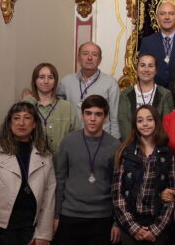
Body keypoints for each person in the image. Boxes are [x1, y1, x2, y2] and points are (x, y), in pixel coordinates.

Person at [0, 102, 55, 245]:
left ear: (34, 124)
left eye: (27, 118)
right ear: (10, 123)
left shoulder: (44, 154)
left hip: (30, 229)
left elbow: (49, 195)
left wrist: (44, 234)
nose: (21, 123)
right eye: (16, 118)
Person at [53, 95, 121, 245]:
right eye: (88, 113)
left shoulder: (115, 146)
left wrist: (117, 222)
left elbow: (118, 187)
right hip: (70, 215)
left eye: (98, 114)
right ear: (82, 115)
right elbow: (60, 181)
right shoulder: (68, 142)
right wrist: (56, 215)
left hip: (102, 217)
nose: (92, 118)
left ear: (106, 118)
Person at [113, 105, 175, 245]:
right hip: (130, 225)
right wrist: (134, 228)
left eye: (149, 119)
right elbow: (117, 195)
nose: (145, 124)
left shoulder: (167, 153)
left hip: (158, 225)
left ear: (156, 122)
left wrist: (156, 230)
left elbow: (172, 196)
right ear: (135, 125)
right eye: (140, 121)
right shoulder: (125, 152)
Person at [57, 42, 121, 139]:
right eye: (85, 53)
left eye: (94, 55)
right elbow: (58, 111)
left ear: (99, 60)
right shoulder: (66, 82)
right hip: (73, 138)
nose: (89, 58)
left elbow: (115, 116)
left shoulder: (111, 83)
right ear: (78, 58)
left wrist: (114, 143)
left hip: (101, 141)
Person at [23, 63, 80, 153]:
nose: (46, 81)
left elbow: (76, 137)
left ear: (55, 81)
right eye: (41, 77)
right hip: (34, 162)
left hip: (60, 161)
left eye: (50, 77)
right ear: (35, 80)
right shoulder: (26, 105)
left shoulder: (66, 107)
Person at [139, 1, 175, 88]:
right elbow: (143, 71)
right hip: (155, 94)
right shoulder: (147, 42)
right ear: (157, 17)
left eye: (171, 14)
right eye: (162, 14)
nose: (167, 17)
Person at [118, 54, 174, 139]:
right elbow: (123, 123)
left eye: (150, 66)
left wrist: (151, 145)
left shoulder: (165, 94)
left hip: (157, 145)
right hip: (131, 145)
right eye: (142, 65)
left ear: (156, 70)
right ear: (137, 69)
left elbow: (166, 125)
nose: (146, 70)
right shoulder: (125, 94)